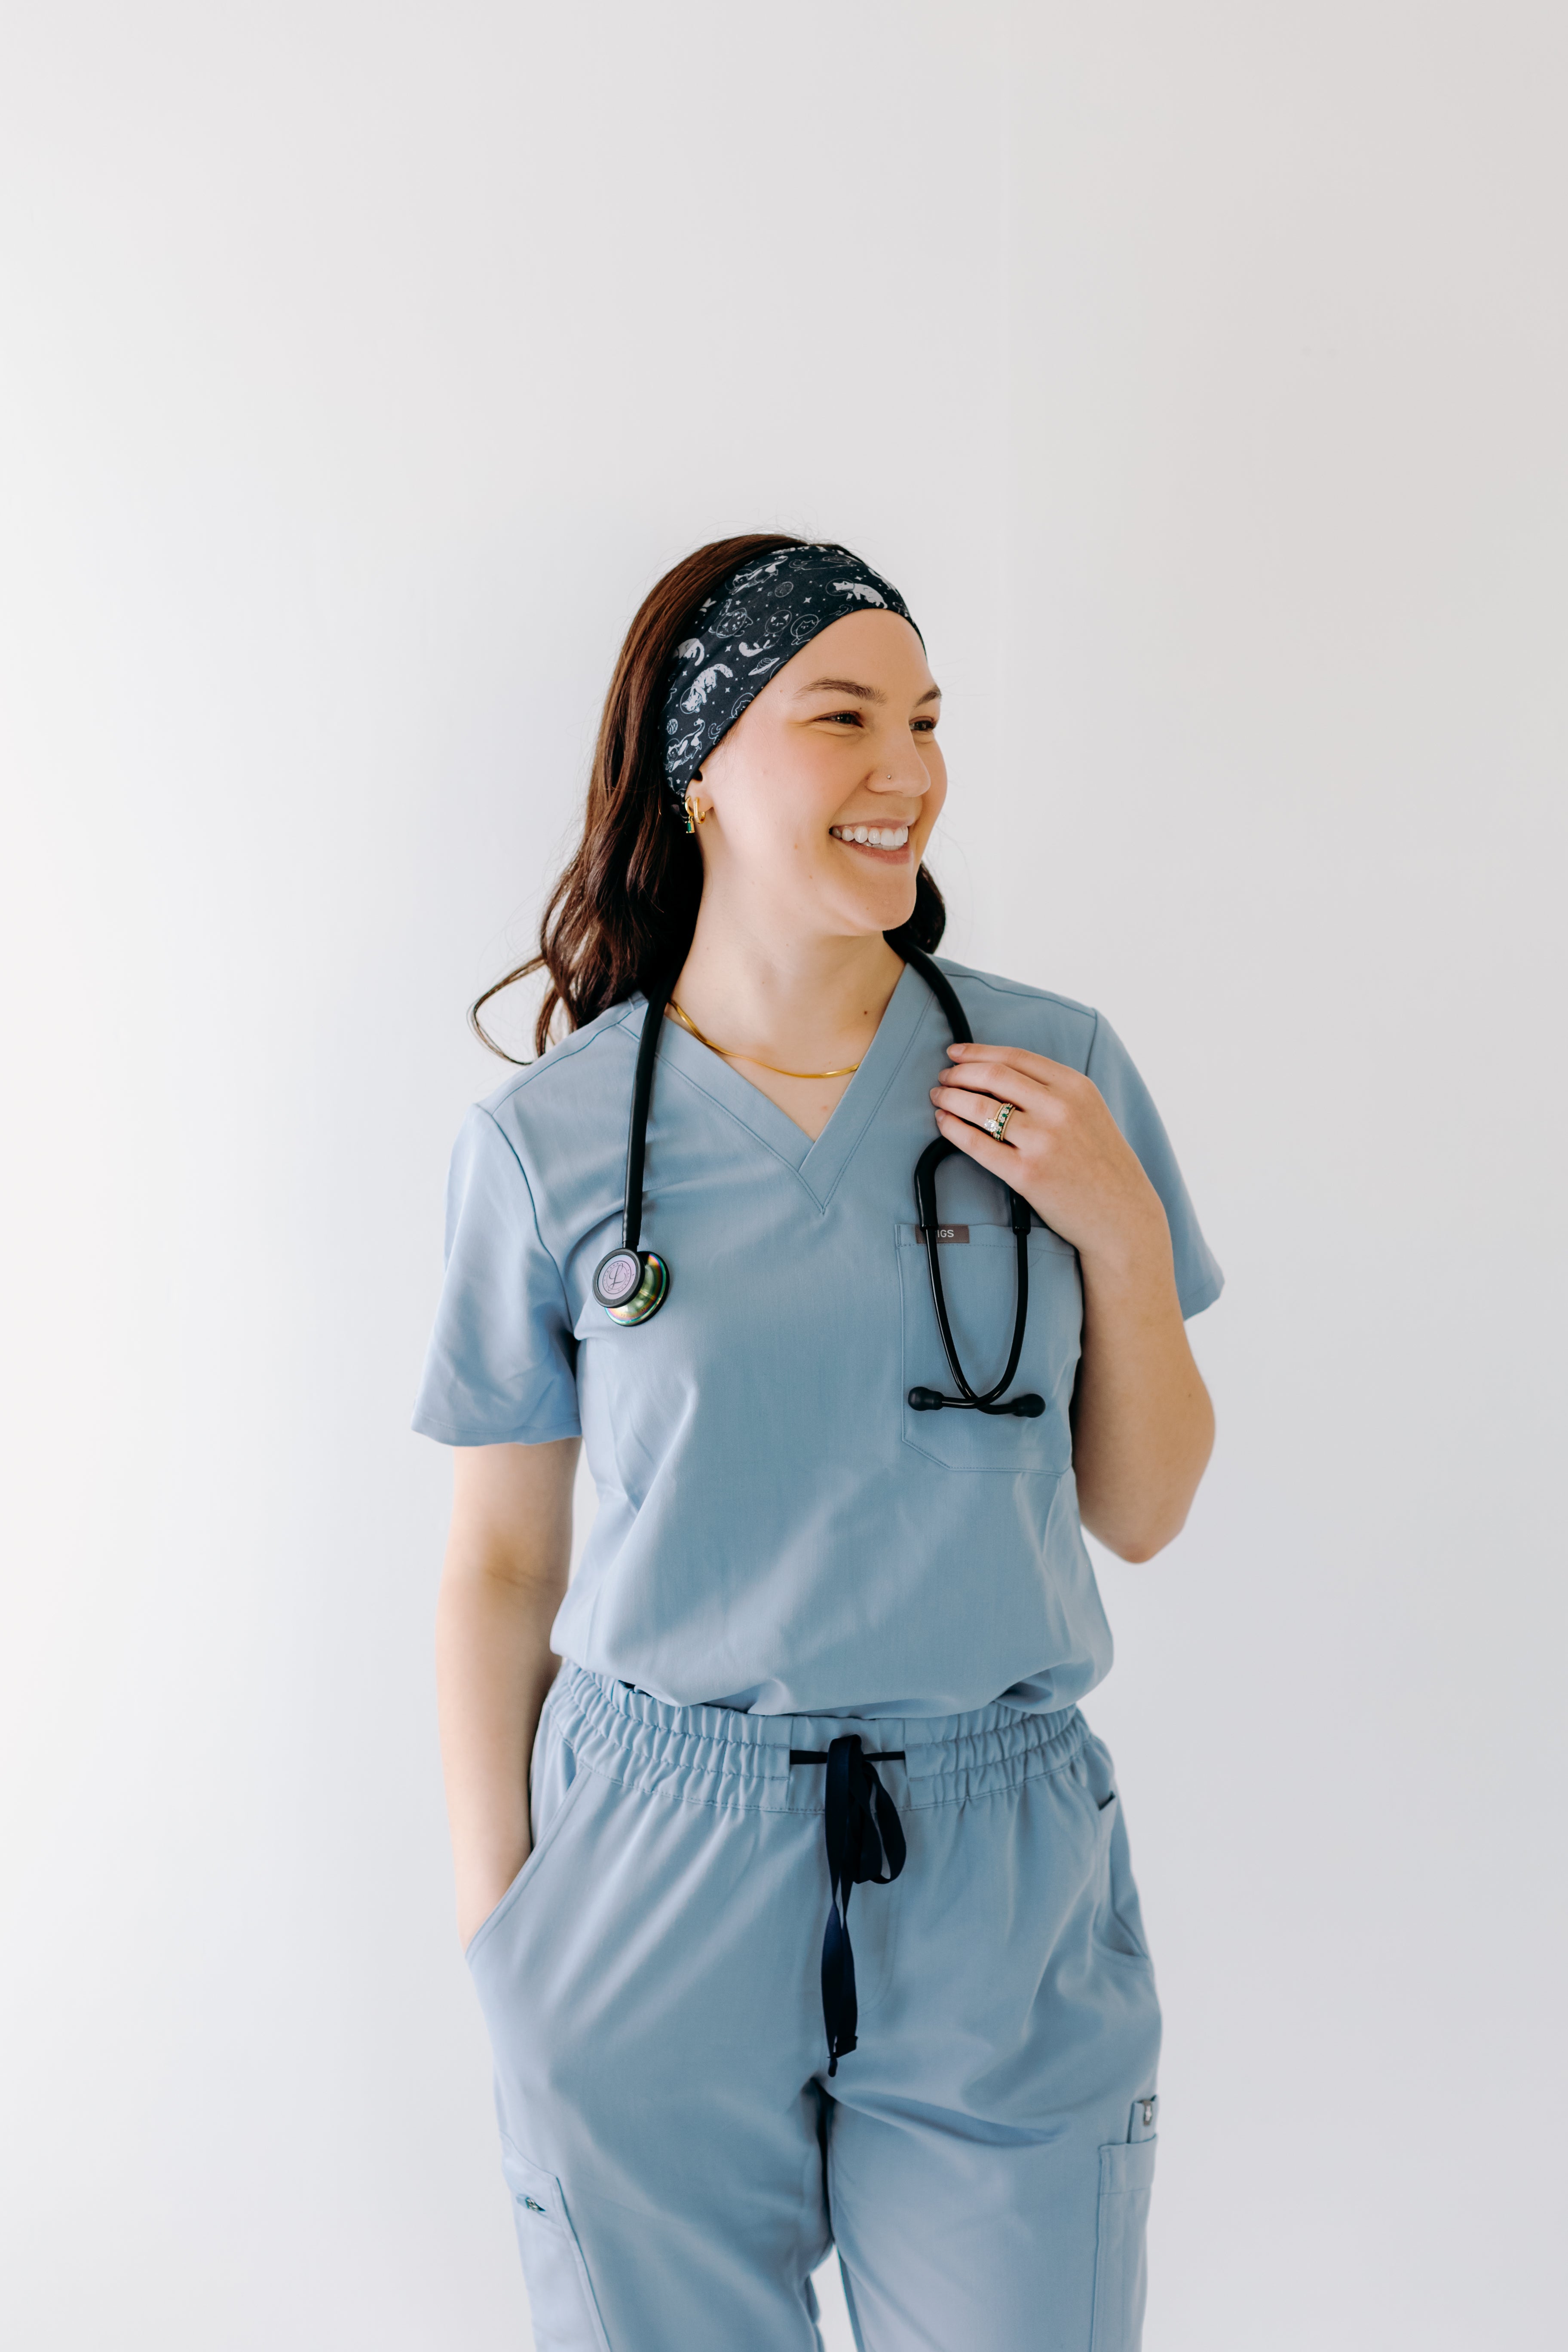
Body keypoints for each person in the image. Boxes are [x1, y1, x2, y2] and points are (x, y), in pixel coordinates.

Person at [413, 534, 1221, 2352]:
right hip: (647, 1859)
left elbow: (1148, 1510)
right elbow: (501, 1567)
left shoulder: (1047, 1075)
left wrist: (1122, 1234)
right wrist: (509, 1940)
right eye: (842, 715)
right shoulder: (551, 1144)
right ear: (701, 767)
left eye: (928, 720)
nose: (908, 771)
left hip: (992, 1852)